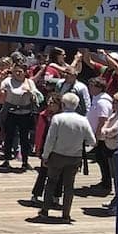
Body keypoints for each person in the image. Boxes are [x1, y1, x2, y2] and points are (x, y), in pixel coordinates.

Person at [40, 92, 96, 223]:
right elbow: (92, 141)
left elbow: (50, 139)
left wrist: (45, 155)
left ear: (63, 104)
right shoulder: (83, 120)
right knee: (69, 186)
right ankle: (66, 214)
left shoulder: (58, 118)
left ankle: (45, 210)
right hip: (74, 157)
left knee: (51, 183)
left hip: (57, 155)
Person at [0, 62, 40, 172]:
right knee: (9, 137)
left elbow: (37, 96)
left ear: (25, 72)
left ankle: (25, 162)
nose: (17, 73)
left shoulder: (29, 82)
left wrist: (30, 93)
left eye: (20, 71)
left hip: (25, 113)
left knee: (24, 139)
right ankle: (6, 159)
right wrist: (0, 79)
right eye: (15, 71)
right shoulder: (8, 81)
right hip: (11, 112)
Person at [85, 75, 115, 197]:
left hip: (101, 138)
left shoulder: (102, 102)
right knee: (100, 159)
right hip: (97, 136)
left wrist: (97, 137)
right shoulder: (96, 99)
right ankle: (104, 181)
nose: (90, 88)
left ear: (98, 87)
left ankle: (107, 184)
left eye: (92, 86)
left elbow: (103, 120)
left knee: (103, 161)